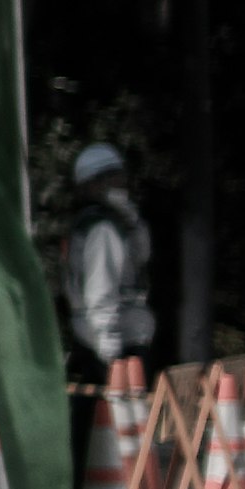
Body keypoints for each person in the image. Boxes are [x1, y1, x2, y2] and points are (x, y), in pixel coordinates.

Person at [63, 143, 155, 377]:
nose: (121, 183)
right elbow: (100, 287)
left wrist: (131, 221)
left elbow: (141, 255)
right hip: (110, 344)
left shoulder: (110, 223)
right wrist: (108, 344)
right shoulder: (102, 228)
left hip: (118, 338)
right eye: (112, 177)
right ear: (93, 184)